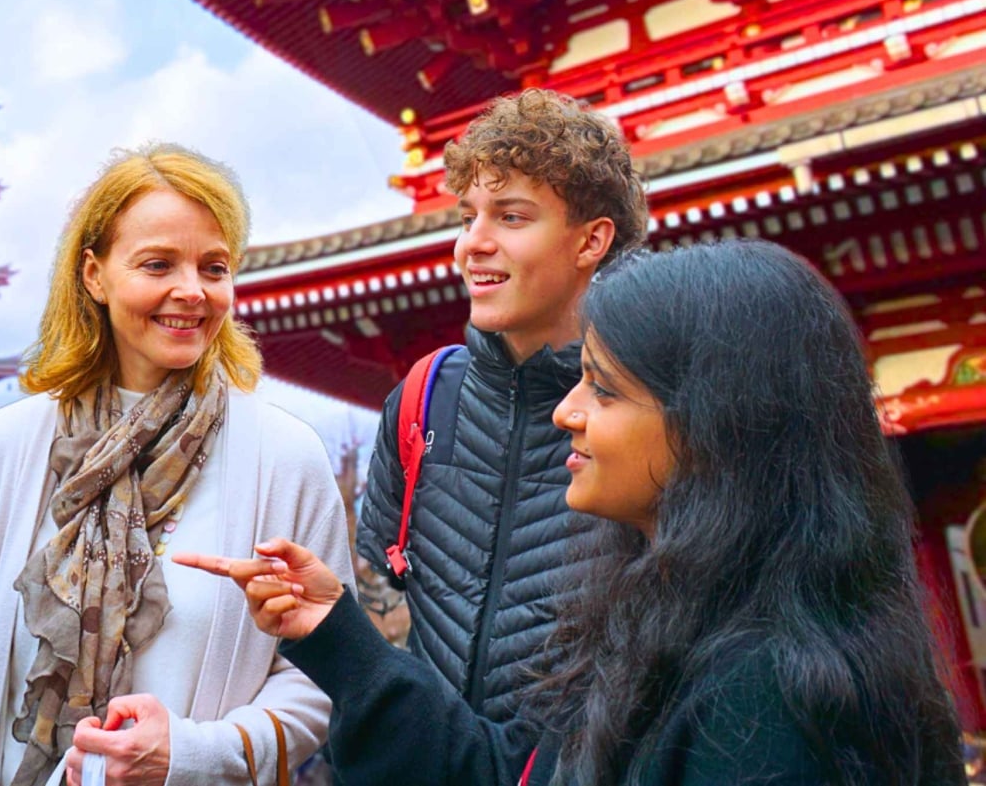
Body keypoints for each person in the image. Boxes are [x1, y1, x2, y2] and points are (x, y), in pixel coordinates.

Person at [182, 240, 966, 786]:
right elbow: (504, 774)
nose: (567, 411)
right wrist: (338, 632)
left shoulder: (771, 700)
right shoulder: (657, 627)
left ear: (721, 423)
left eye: (606, 388)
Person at [0, 144, 352, 786]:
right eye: (158, 264)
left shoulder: (285, 459)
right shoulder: (12, 447)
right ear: (94, 275)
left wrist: (193, 754)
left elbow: (319, 677)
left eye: (215, 267)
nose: (192, 290)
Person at [354, 89, 647, 720]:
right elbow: (388, 595)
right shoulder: (421, 400)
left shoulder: (654, 411)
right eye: (467, 217)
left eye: (510, 217)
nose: (472, 245)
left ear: (591, 240)